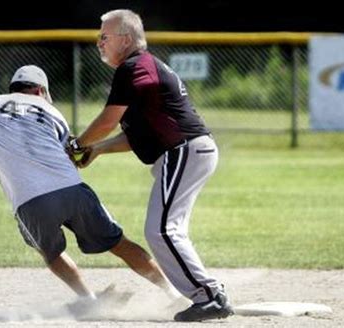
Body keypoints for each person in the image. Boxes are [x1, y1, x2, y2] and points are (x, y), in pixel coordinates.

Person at [0, 64, 178, 313]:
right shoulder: (51, 112)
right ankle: (172, 293)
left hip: (29, 201)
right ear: (40, 91)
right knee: (118, 243)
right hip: (71, 189)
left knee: (51, 253)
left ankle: (88, 299)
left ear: (13, 88)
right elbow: (69, 155)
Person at [68, 9, 234, 322]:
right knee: (169, 230)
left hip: (183, 151)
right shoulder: (138, 69)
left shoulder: (134, 66)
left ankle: (210, 295)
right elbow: (137, 135)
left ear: (125, 38)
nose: (99, 42)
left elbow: (107, 120)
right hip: (185, 152)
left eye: (104, 36)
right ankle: (207, 293)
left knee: (161, 230)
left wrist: (79, 144)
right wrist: (99, 150)